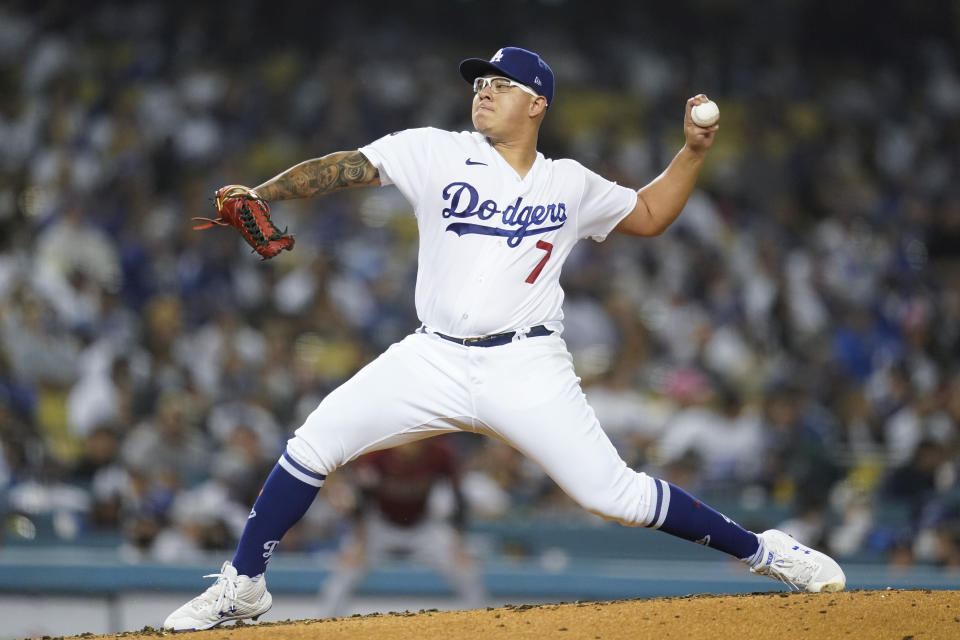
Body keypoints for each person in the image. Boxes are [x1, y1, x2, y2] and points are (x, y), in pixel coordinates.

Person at [163, 46, 845, 631]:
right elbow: (344, 167)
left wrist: (691, 154)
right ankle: (244, 585)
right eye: (478, 83)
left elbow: (647, 213)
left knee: (619, 497)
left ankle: (766, 552)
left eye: (500, 84)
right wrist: (265, 191)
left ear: (537, 104)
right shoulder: (433, 151)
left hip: (526, 362)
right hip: (432, 355)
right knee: (313, 443)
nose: (482, 92)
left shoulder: (568, 182)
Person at [317, 437, 485, 617]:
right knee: (346, 569)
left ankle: (484, 625)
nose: (409, 443)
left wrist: (458, 544)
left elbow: (458, 497)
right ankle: (324, 625)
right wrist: (359, 542)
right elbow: (362, 498)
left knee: (466, 569)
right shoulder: (377, 453)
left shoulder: (439, 453)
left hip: (423, 527)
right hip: (380, 527)